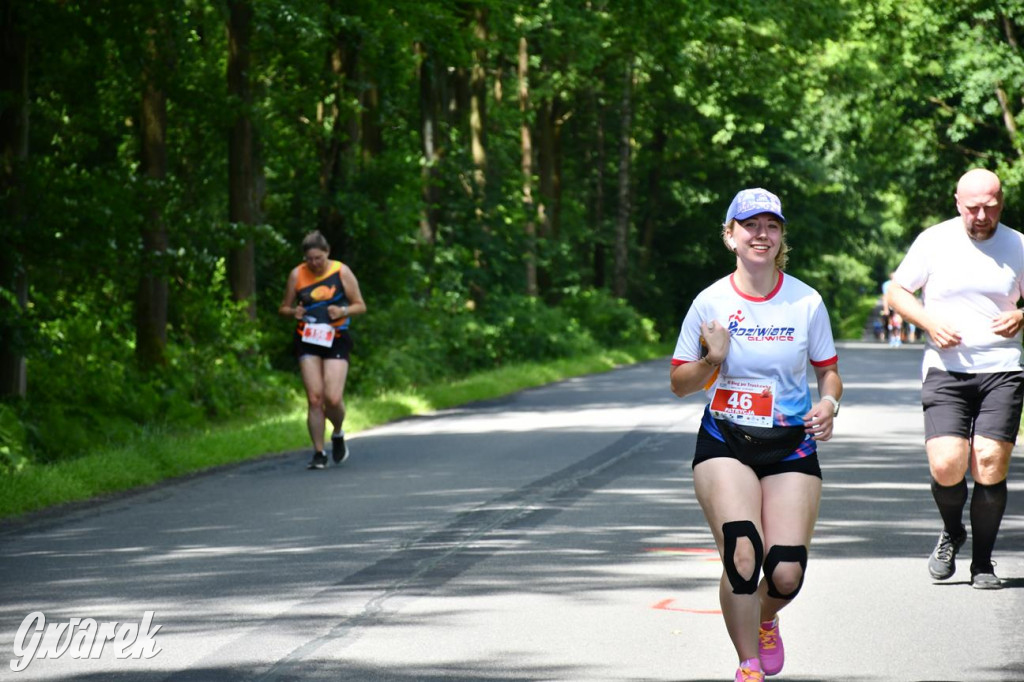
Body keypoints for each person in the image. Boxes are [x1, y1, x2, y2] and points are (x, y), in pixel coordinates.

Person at [670, 188, 842, 682]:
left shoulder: (806, 300)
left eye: (771, 225)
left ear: (781, 235)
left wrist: (828, 403)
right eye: (749, 225)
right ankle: (748, 667)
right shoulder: (710, 302)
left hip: (791, 442)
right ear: (730, 236)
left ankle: (766, 617)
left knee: (786, 573)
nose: (760, 234)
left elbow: (829, 372)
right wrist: (711, 360)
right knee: (743, 551)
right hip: (726, 440)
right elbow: (680, 384)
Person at [886, 168, 1024, 590]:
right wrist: (928, 322)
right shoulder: (934, 240)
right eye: (973, 208)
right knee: (947, 464)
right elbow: (896, 291)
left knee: (987, 461)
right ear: (957, 203)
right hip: (946, 368)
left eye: (990, 206)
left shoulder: (1018, 245)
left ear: (1001, 201)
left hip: (1002, 368)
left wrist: (1022, 314)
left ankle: (982, 563)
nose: (982, 216)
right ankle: (953, 530)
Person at [279, 230, 367, 470]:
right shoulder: (297, 274)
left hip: (336, 337)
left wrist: (343, 312)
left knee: (333, 398)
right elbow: (284, 308)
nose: (314, 263)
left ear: (327, 253)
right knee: (315, 398)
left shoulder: (341, 271)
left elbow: (360, 305)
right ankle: (318, 452)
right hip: (308, 338)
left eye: (319, 258)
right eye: (310, 259)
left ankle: (337, 433)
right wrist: (293, 313)